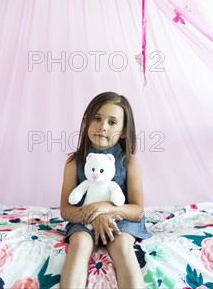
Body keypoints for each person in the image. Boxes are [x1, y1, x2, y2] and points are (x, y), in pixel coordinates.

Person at [59, 92, 151, 288]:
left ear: (124, 130)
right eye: (97, 118)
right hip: (84, 220)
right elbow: (66, 210)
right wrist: (94, 216)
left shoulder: (130, 162)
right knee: (80, 243)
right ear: (86, 121)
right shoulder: (73, 161)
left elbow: (137, 210)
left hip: (121, 220)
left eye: (112, 122)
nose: (102, 127)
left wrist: (105, 209)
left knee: (121, 244)